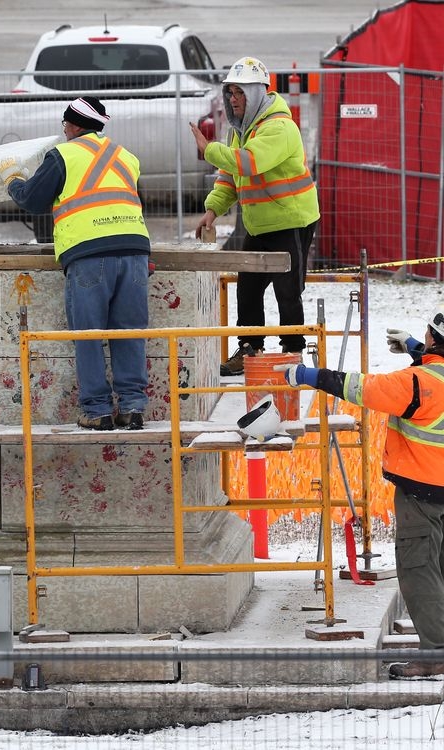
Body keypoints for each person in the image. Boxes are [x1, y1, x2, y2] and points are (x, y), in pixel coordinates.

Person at [280, 313, 444, 678]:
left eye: (426, 336)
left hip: (424, 492)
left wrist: (309, 376)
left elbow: (362, 388)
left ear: (435, 340)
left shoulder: (417, 382)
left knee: (420, 569)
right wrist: (417, 351)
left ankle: (437, 651)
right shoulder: (424, 375)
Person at [0, 96, 150, 431]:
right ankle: (134, 407)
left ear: (75, 125)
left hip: (89, 254)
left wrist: (12, 179)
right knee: (130, 333)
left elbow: (33, 200)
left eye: (65, 124)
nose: (63, 130)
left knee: (89, 334)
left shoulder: (63, 155)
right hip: (135, 253)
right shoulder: (126, 157)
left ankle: (98, 411)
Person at [189, 56, 320, 377]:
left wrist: (209, 149)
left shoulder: (279, 127)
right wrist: (212, 210)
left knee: (288, 290)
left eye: (239, 93)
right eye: (230, 93)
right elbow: (230, 176)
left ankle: (292, 354)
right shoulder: (241, 131)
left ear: (257, 92)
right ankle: (250, 348)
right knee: (248, 289)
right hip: (260, 222)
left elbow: (248, 162)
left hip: (292, 220)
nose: (233, 100)